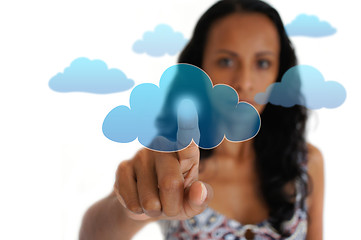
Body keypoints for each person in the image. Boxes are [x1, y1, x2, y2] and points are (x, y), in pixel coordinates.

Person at [79, 0, 324, 239]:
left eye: (262, 62)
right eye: (226, 61)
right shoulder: (173, 164)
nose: (245, 81)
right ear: (199, 69)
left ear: (279, 73)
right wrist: (131, 207)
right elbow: (92, 234)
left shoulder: (306, 163)